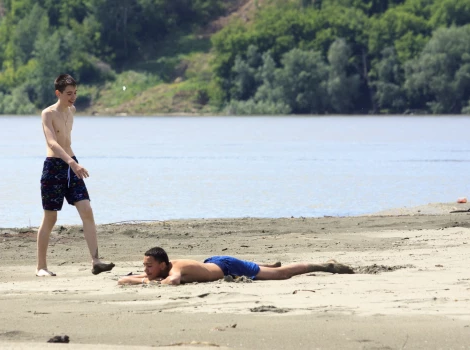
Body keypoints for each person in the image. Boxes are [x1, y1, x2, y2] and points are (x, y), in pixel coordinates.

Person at [36, 74, 114, 277]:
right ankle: (41, 267)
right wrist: (71, 162)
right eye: (69, 94)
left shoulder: (72, 111)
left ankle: (96, 261)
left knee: (86, 209)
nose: (73, 97)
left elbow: (67, 142)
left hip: (72, 165)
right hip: (54, 167)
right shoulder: (48, 114)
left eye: (75, 93)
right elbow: (52, 143)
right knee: (50, 218)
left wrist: (73, 162)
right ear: (58, 93)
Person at [118, 247, 353, 285]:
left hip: (228, 267)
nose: (146, 269)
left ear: (162, 264)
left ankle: (325, 266)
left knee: (281, 275)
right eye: (145, 266)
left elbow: (172, 281)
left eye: (149, 266)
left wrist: (146, 282)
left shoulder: (175, 268)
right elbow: (125, 279)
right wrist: (139, 279)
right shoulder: (161, 269)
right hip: (214, 263)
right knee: (265, 268)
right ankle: (263, 264)